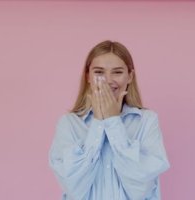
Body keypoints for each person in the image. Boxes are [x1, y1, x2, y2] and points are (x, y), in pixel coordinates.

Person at [49, 40, 170, 200]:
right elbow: (74, 188)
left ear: (130, 77)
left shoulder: (147, 121)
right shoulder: (69, 124)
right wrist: (99, 122)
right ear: (88, 77)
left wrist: (113, 121)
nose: (108, 80)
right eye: (99, 72)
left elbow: (140, 188)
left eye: (117, 72)